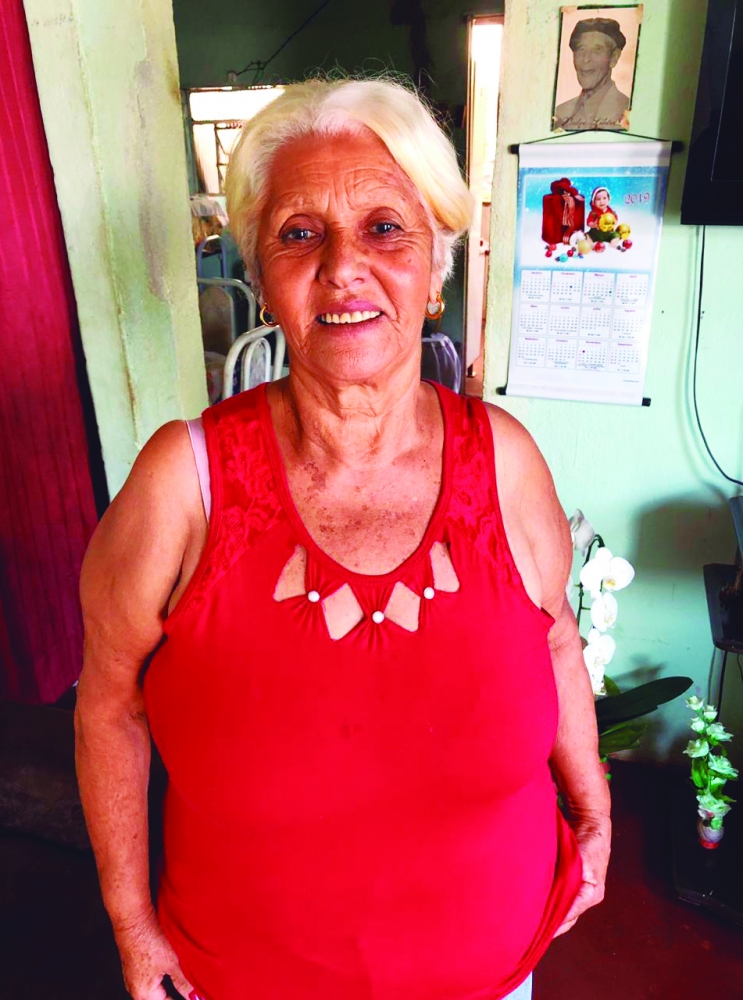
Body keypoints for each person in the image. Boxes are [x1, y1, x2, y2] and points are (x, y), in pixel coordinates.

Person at [76, 78, 611, 1000]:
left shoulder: (505, 461)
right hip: (244, 976)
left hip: (495, 975)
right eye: (299, 233)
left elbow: (556, 635)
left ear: (436, 269)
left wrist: (595, 812)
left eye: (385, 228)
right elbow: (108, 707)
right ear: (260, 274)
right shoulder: (182, 484)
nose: (343, 267)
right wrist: (130, 924)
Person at [554, 18, 631, 130]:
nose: (586, 59)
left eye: (597, 50)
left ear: (614, 58)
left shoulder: (629, 112)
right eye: (581, 49)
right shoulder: (559, 114)